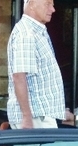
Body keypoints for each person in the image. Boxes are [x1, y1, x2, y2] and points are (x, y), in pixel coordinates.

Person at [6, 0, 65, 130]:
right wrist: (27, 117)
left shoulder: (34, 31)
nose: (53, 9)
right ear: (31, 4)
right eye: (48, 4)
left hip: (39, 116)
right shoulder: (26, 34)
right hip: (35, 118)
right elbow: (19, 77)